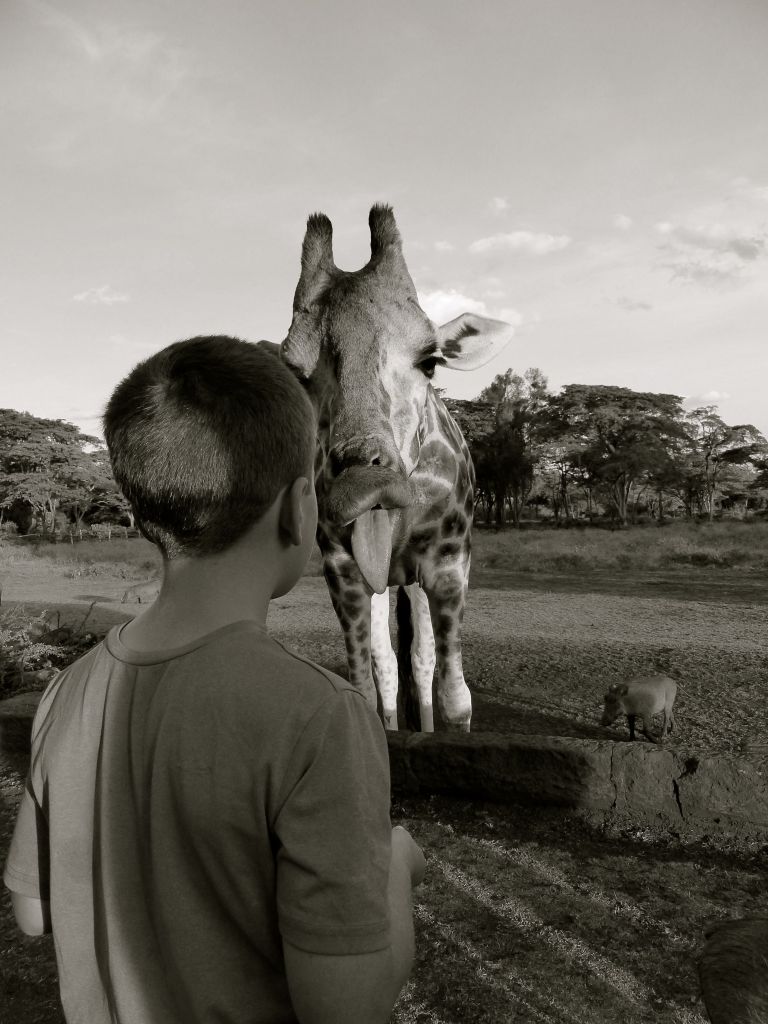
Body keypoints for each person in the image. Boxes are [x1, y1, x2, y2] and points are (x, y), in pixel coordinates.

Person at [4, 335, 425, 1024]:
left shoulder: (66, 691)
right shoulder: (317, 715)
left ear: (142, 516)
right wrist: (397, 869)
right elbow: (346, 1006)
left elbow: (32, 911)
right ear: (299, 508)